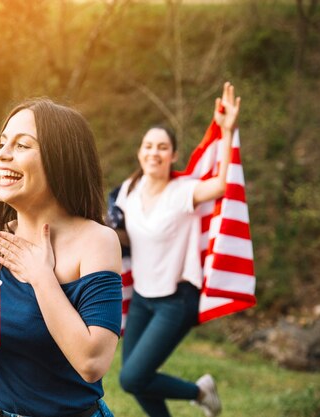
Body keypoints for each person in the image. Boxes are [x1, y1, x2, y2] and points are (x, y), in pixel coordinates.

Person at [0, 98, 123, 417]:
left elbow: (92, 363)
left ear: (61, 159)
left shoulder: (96, 241)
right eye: (2, 144)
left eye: (22, 145)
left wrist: (41, 277)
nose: (2, 155)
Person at [114, 82, 241, 417]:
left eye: (162, 147)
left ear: (173, 155)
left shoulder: (182, 191)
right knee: (137, 380)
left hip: (176, 299)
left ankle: (199, 393)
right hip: (142, 298)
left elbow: (221, 185)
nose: (154, 152)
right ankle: (200, 393)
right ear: (140, 152)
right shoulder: (128, 190)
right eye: (148, 146)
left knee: (132, 378)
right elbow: (122, 235)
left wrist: (226, 131)